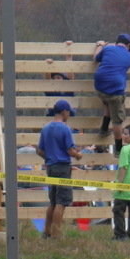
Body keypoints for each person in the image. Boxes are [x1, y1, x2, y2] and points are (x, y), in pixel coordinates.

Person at [36, 99, 83, 239]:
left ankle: (46, 232)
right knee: (61, 202)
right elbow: (70, 151)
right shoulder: (65, 129)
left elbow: (39, 151)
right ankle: (55, 235)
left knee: (53, 201)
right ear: (64, 112)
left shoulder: (46, 128)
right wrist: (78, 155)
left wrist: (49, 157)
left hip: (50, 167)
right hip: (62, 167)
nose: (69, 115)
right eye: (69, 112)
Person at [94, 33, 130, 156]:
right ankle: (118, 149)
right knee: (117, 120)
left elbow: (96, 58)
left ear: (116, 42)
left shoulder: (107, 49)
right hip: (115, 88)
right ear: (128, 45)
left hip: (99, 86)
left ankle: (103, 129)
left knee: (108, 101)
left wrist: (99, 45)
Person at [44, 41, 74, 115]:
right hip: (53, 116)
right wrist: (47, 65)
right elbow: (47, 79)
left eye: (58, 77)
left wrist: (68, 49)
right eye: (54, 78)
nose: (56, 79)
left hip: (69, 116)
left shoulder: (68, 87)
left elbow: (70, 69)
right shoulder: (51, 91)